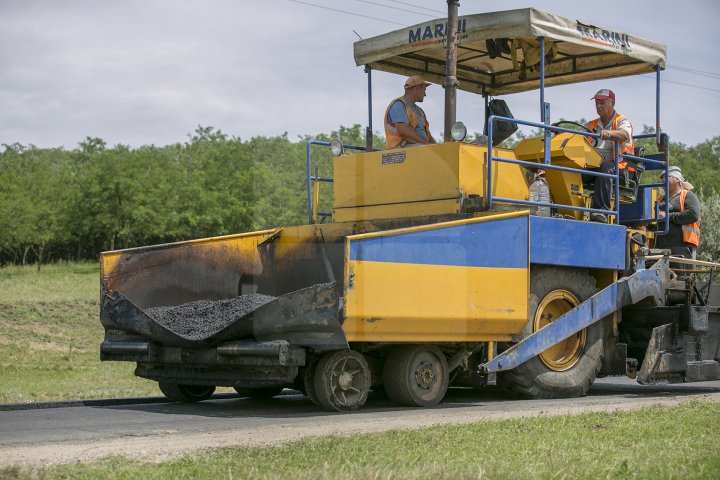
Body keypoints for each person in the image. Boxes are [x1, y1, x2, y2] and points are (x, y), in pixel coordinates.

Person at [584, 89, 634, 222]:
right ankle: (562, 207)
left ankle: (601, 212)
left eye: (602, 103)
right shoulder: (591, 125)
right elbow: (577, 137)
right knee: (571, 170)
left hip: (622, 167)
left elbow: (624, 134)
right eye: (596, 103)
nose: (598, 106)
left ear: (612, 103)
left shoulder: (622, 121)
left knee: (605, 168)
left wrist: (610, 133)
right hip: (595, 166)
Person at [654, 166, 701, 270]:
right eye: (661, 178)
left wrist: (667, 216)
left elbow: (693, 214)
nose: (662, 180)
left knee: (682, 281)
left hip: (681, 247)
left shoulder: (688, 196)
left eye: (666, 177)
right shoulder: (659, 200)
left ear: (677, 179)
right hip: (659, 247)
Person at [384, 75, 436, 149]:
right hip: (400, 150)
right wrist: (426, 144)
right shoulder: (399, 105)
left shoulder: (419, 111)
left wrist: (438, 147)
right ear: (417, 89)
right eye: (424, 90)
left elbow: (428, 135)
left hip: (419, 147)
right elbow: (404, 131)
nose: (425, 94)